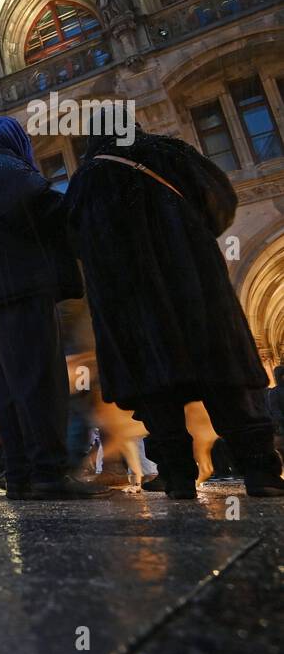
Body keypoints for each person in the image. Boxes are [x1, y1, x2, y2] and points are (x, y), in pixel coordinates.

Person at [65, 128, 284, 498]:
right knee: (227, 382)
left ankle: (177, 476)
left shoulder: (86, 180)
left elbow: (75, 242)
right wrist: (191, 234)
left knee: (156, 395)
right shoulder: (168, 151)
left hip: (134, 307)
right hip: (195, 288)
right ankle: (260, 470)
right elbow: (222, 199)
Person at [0, 117, 103, 500]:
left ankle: (19, 475)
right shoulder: (5, 168)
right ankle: (49, 474)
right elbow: (43, 210)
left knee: (8, 391)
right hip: (21, 289)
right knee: (40, 383)